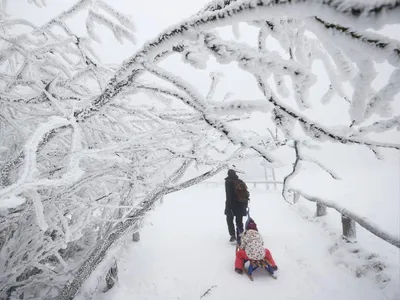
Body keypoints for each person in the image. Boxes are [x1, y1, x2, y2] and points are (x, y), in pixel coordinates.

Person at [225, 169, 248, 242]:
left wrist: (229, 206)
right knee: (239, 221)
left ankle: (232, 235)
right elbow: (245, 194)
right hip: (241, 205)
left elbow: (229, 195)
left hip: (231, 204)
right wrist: (245, 204)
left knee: (229, 220)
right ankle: (240, 235)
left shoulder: (228, 182)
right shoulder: (240, 181)